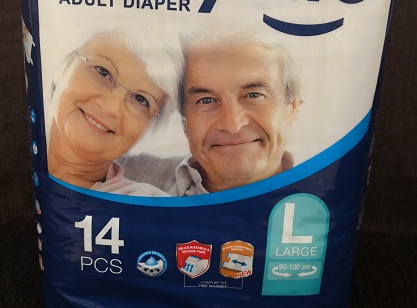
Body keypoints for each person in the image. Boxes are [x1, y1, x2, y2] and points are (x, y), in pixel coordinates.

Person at [47, 25, 183, 196]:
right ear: (64, 67)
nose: (111, 107)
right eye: (103, 72)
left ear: (149, 127)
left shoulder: (143, 202)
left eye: (140, 99)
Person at [169, 24, 301, 195]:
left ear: (292, 108)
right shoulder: (141, 185)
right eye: (206, 100)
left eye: (254, 95)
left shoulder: (328, 196)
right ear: (185, 123)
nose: (232, 125)